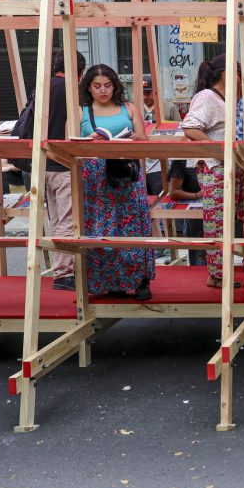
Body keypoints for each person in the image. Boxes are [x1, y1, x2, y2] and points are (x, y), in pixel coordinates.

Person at [180, 54, 244, 288]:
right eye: (239, 74)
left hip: (238, 165)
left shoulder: (233, 98)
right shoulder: (207, 97)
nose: (242, 79)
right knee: (218, 219)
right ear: (226, 74)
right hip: (216, 166)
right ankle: (217, 273)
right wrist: (218, 150)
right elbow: (190, 127)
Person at [78, 64, 154, 300]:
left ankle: (141, 279)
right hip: (96, 178)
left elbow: (144, 140)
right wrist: (89, 140)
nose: (103, 90)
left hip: (127, 174)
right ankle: (112, 282)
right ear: (88, 88)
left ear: (115, 86)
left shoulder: (128, 108)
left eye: (108, 85)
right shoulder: (81, 111)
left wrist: (132, 138)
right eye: (97, 86)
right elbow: (68, 144)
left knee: (134, 226)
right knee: (103, 228)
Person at [47, 50, 85, 291]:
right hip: (63, 161)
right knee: (69, 219)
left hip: (44, 161)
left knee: (56, 218)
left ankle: (58, 268)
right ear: (79, 71)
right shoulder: (71, 91)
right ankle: (63, 273)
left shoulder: (44, 86)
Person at [141, 74, 180, 196]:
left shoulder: (168, 108)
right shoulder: (134, 108)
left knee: (162, 197)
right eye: (143, 93)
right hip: (141, 162)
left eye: (149, 92)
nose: (145, 96)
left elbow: (179, 132)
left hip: (161, 162)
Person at [166, 158, 206, 267]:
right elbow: (173, 192)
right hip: (195, 209)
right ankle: (199, 269)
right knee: (199, 250)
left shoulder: (213, 158)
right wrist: (197, 195)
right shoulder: (181, 161)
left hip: (214, 208)